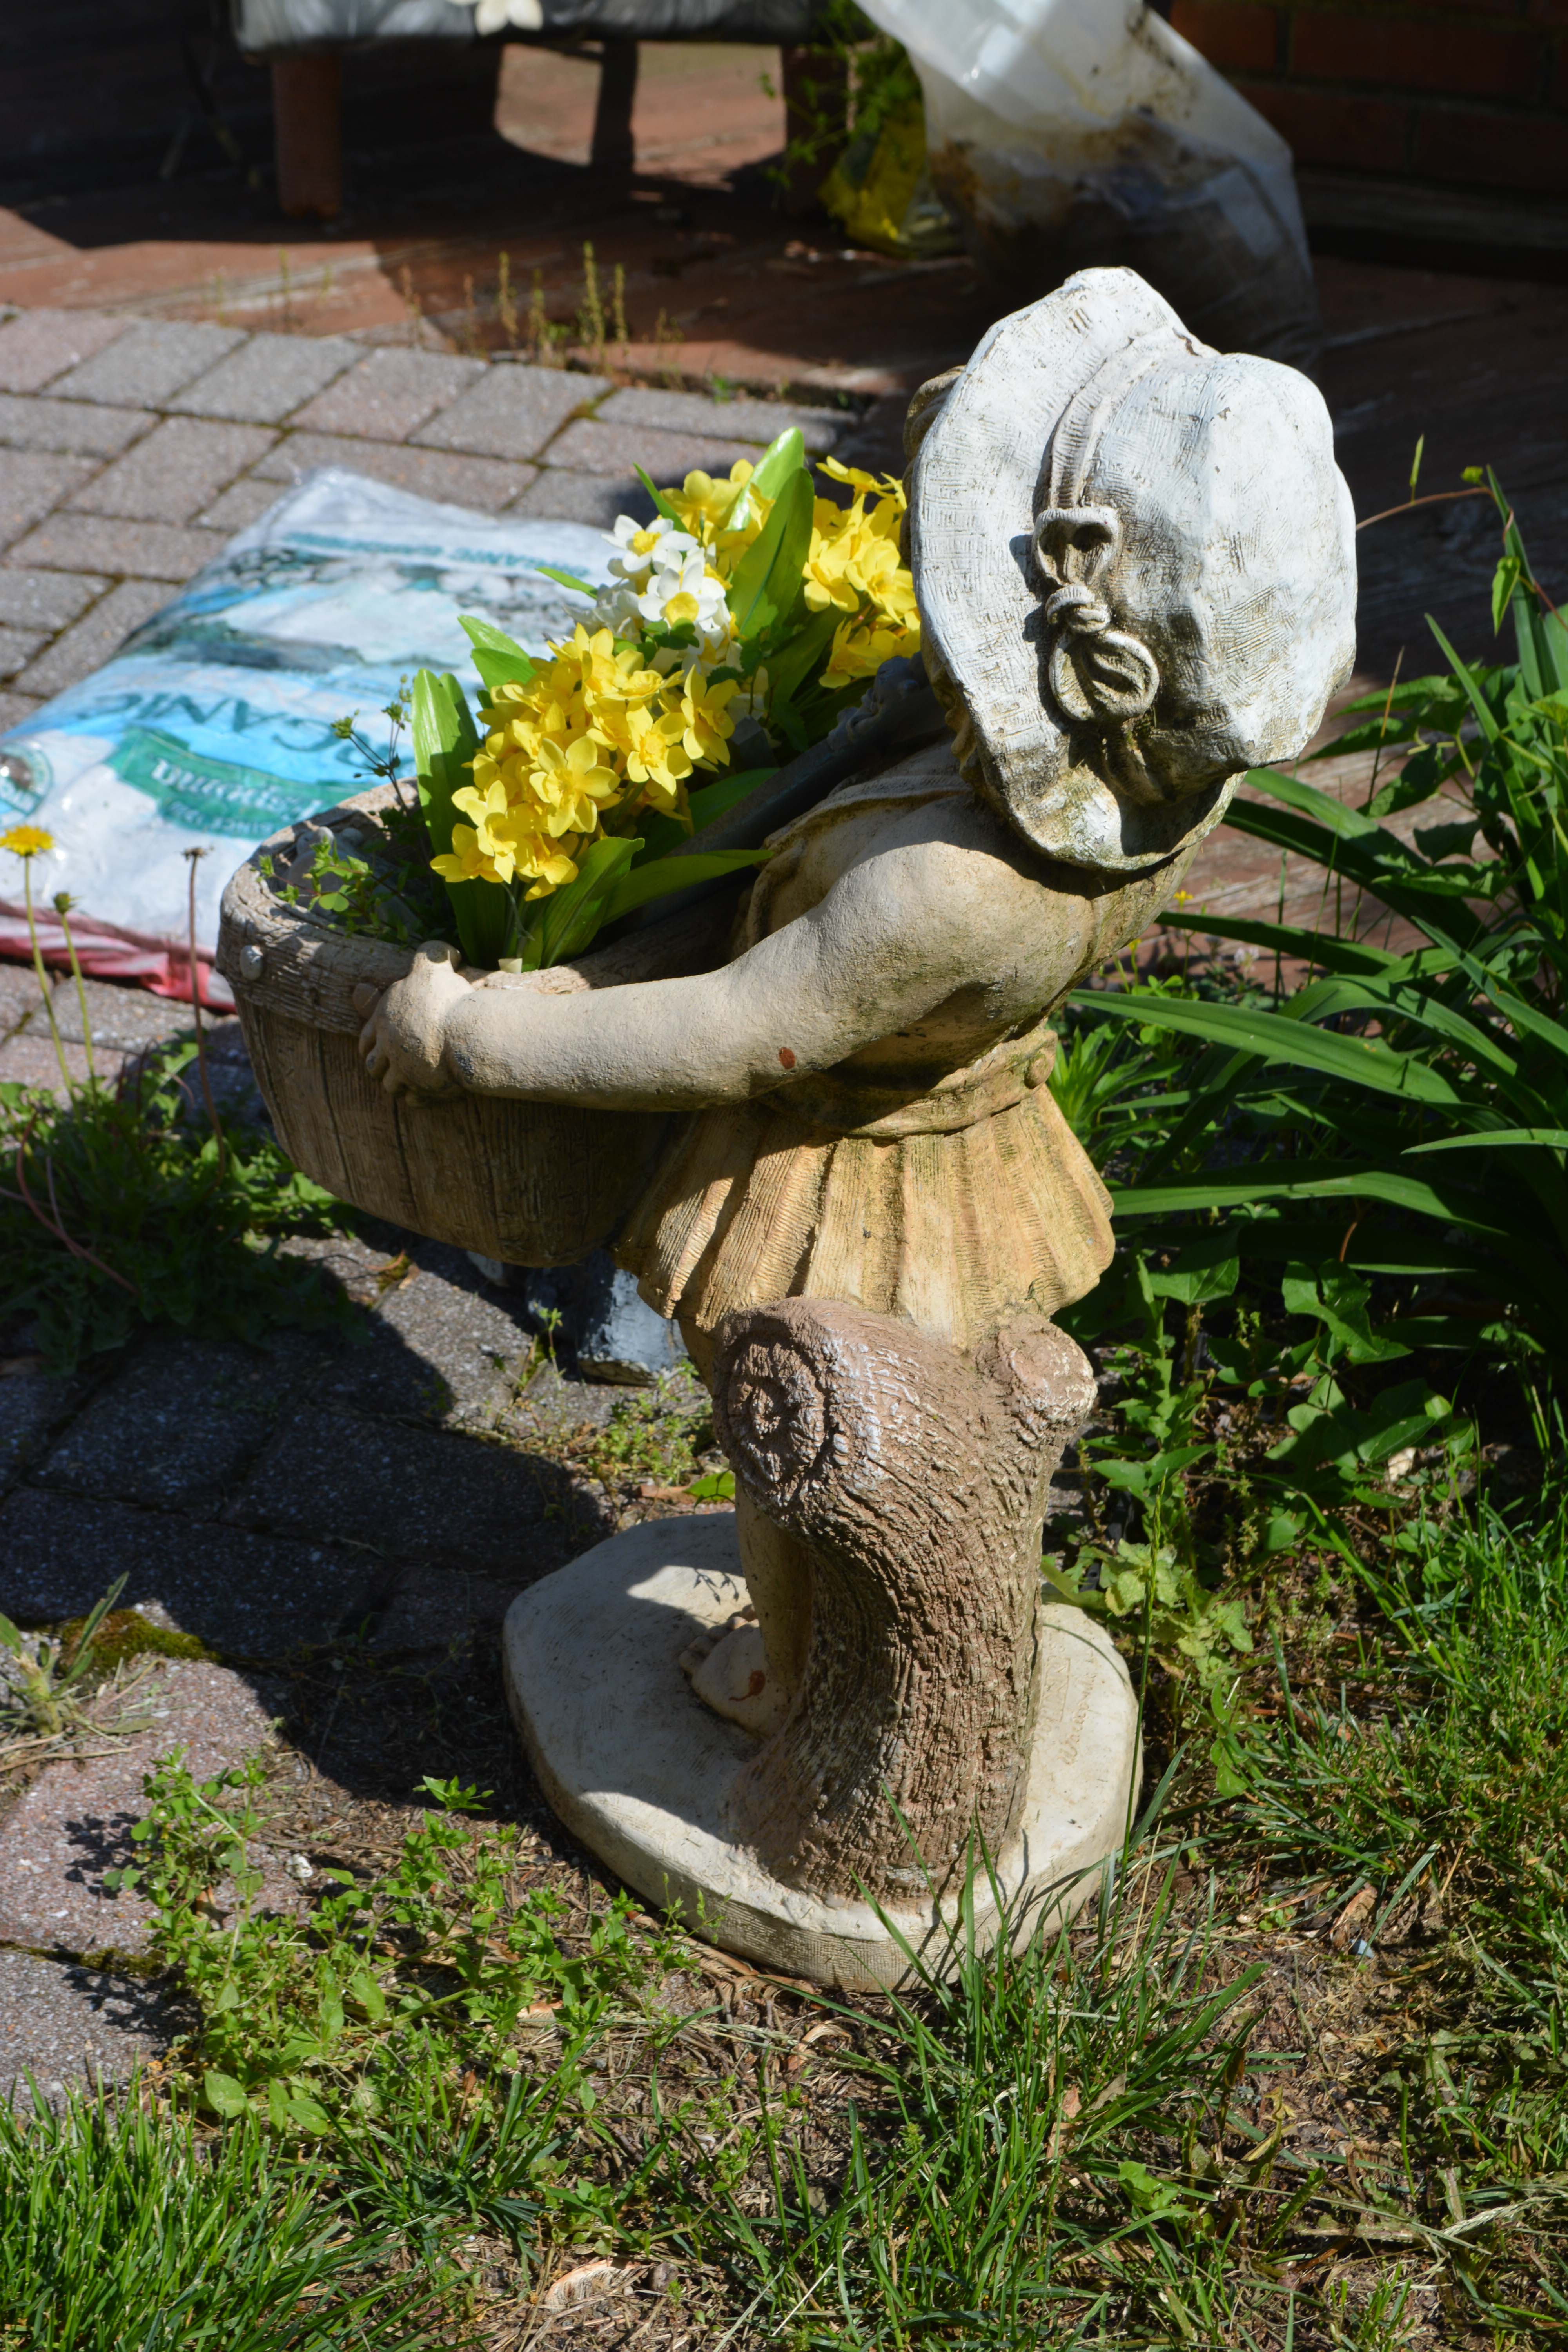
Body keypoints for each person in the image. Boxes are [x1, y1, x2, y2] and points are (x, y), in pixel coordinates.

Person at [354, 265, 1356, 1731]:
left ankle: (796, 1653)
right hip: (976, 1148)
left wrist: (466, 1036)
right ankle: (922, 1618)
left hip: (840, 1178)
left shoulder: (950, 891)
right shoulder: (1157, 793)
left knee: (789, 1417)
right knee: (929, 1429)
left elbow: (732, 1031)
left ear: (1090, 651)